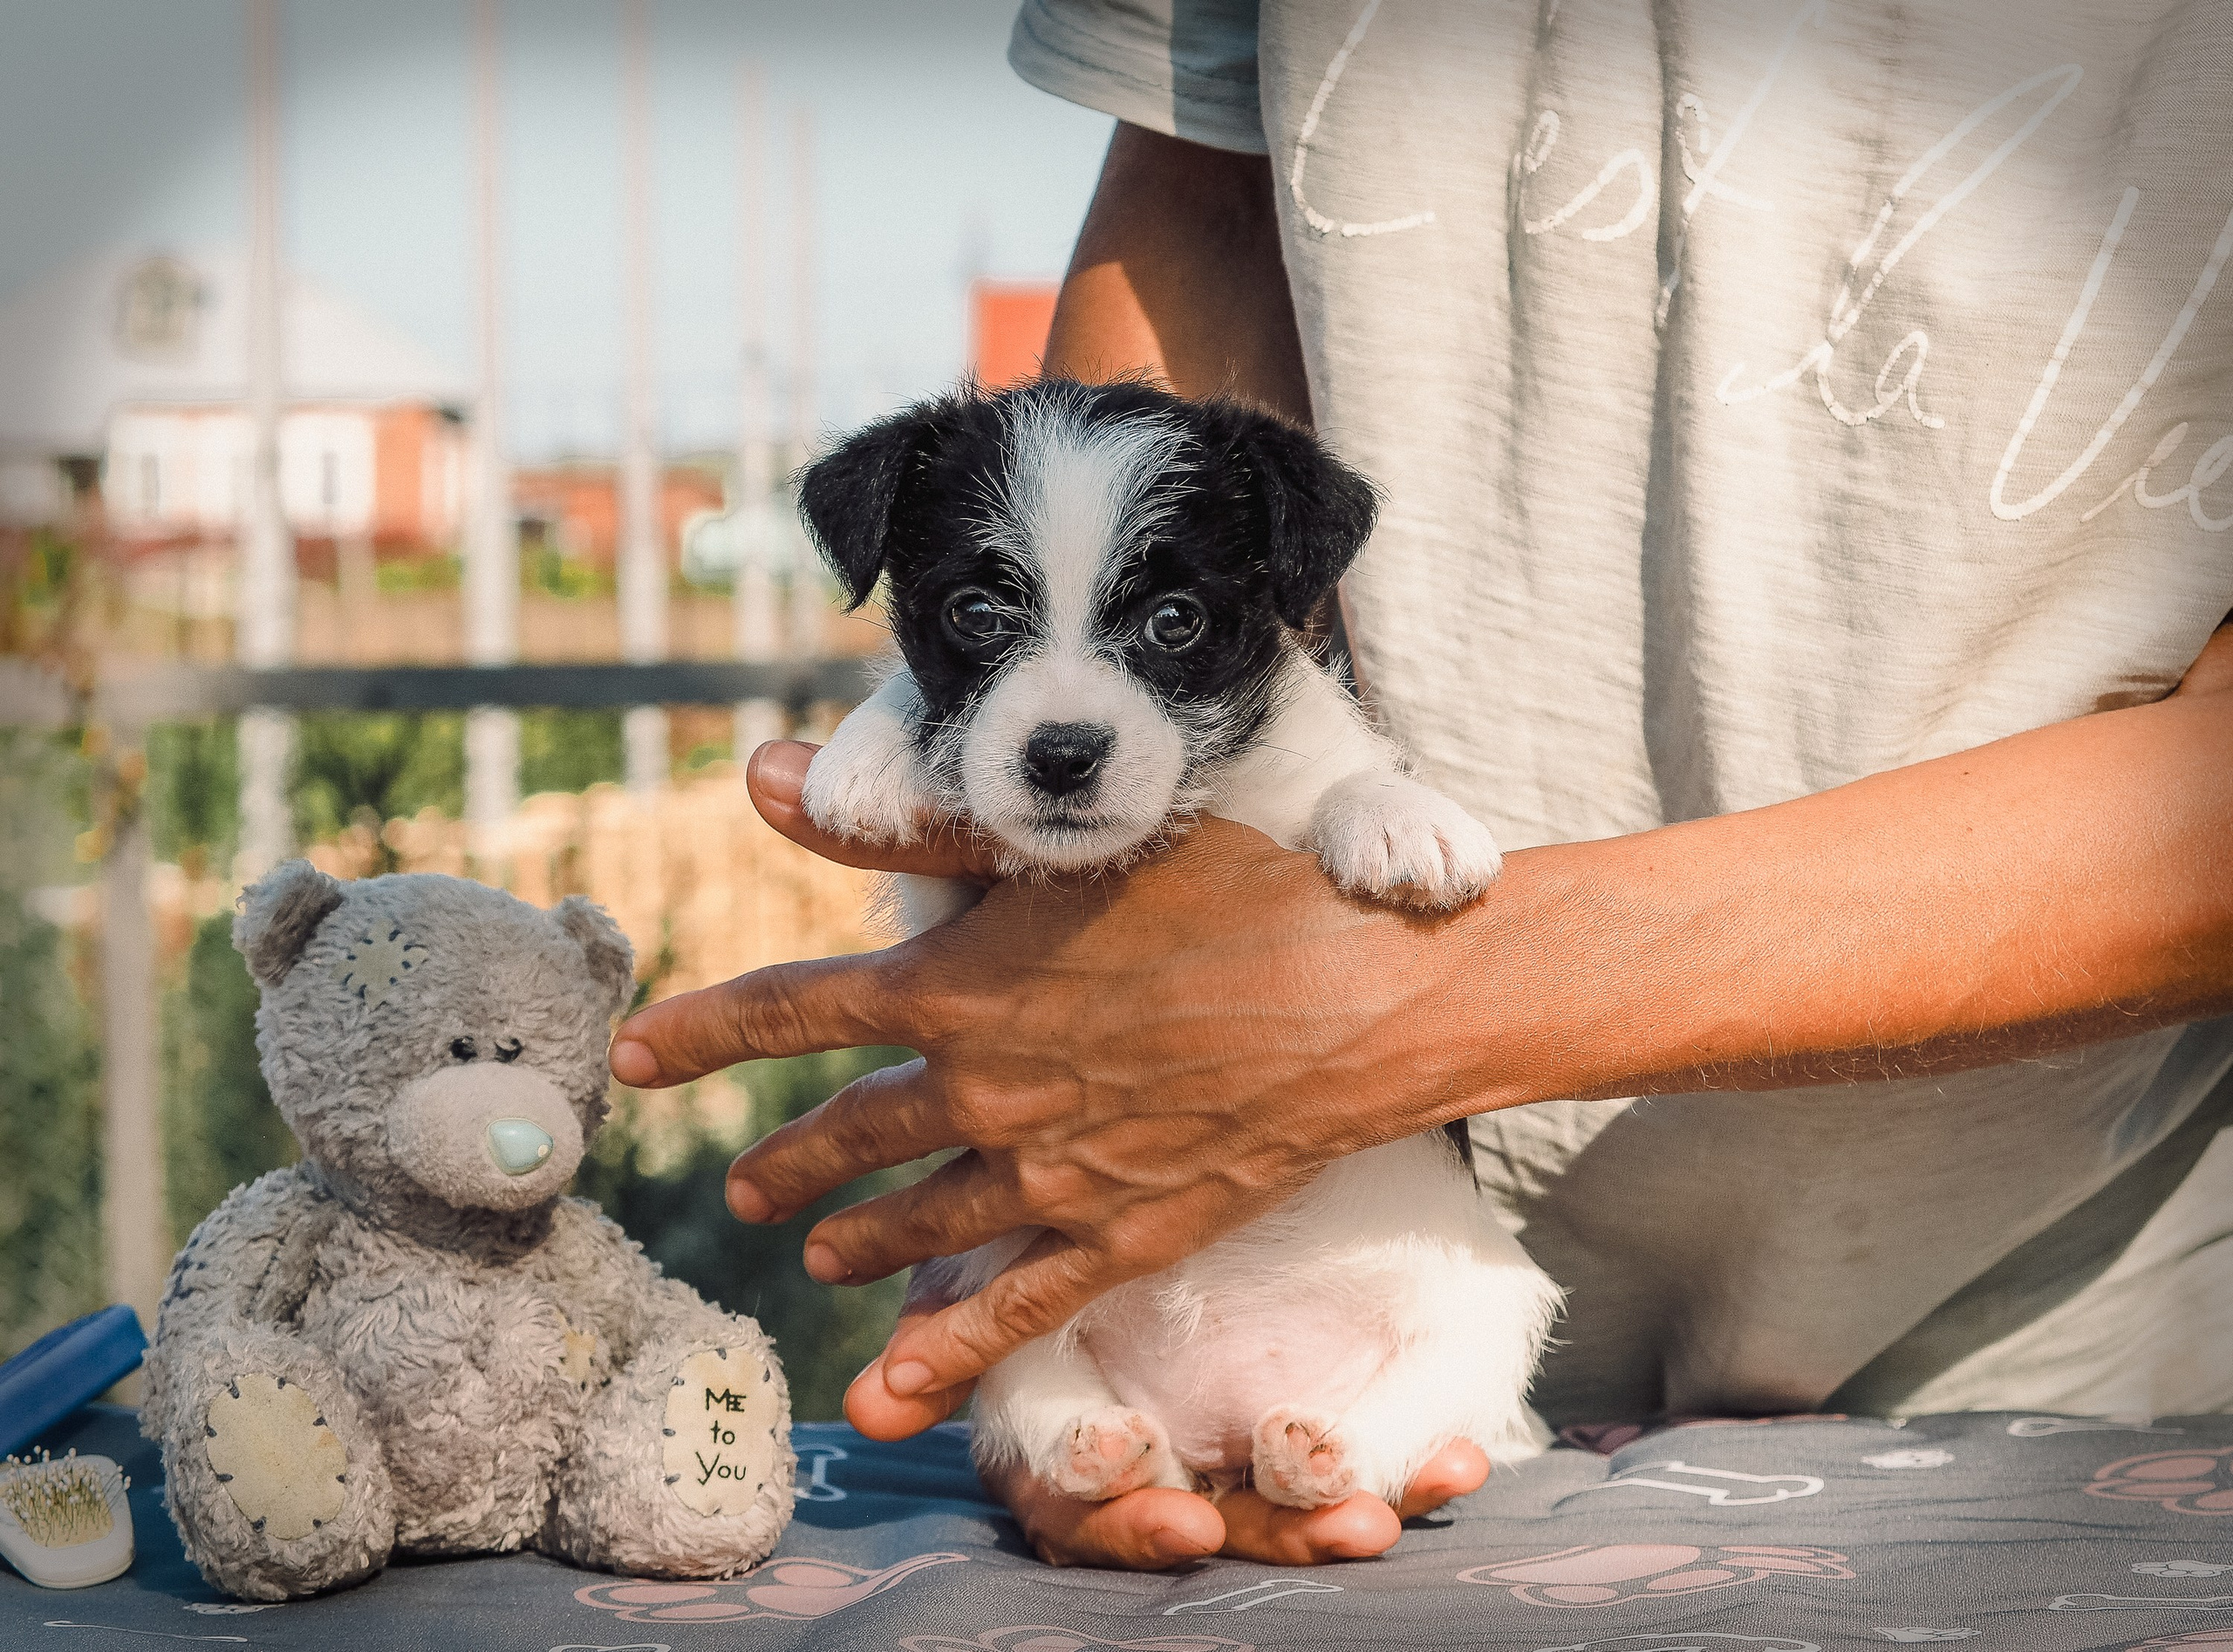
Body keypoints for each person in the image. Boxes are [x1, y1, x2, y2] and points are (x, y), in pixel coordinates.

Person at [611, 1, 2233, 1569]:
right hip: (1276, 1301)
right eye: (981, 621)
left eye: (1168, 626)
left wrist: (1425, 989)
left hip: (2053, 1333)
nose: (1068, 711)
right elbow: (1196, 195)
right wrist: (1055, 1113)